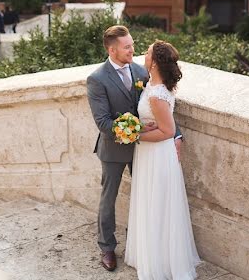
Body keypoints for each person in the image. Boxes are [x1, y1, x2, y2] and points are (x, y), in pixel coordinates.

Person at [85, 25, 183, 273]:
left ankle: (139, 244)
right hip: (115, 148)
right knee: (109, 198)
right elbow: (103, 122)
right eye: (127, 46)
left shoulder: (142, 71)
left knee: (145, 196)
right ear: (112, 49)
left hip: (145, 151)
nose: (133, 50)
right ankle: (107, 247)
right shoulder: (97, 79)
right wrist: (134, 132)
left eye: (132, 44)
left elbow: (162, 105)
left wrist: (177, 134)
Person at [124, 40, 199, 279]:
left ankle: (160, 263)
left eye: (146, 53)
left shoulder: (157, 94)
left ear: (154, 62)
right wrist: (144, 129)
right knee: (152, 203)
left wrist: (136, 135)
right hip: (150, 153)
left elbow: (167, 131)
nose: (143, 55)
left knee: (157, 206)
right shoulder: (153, 85)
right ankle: (152, 256)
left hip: (157, 155)